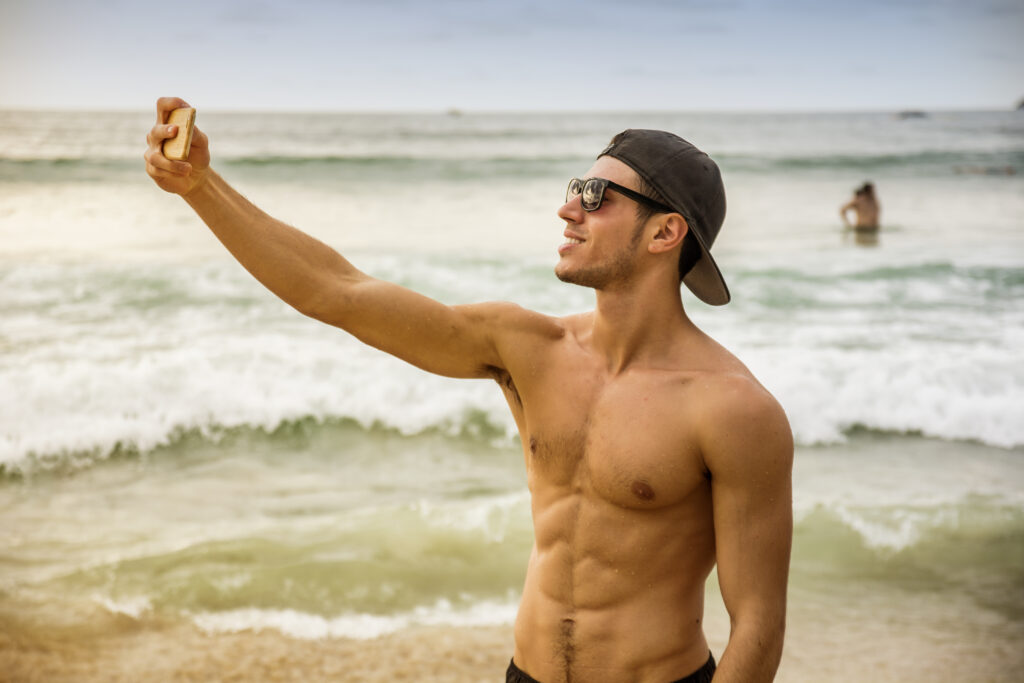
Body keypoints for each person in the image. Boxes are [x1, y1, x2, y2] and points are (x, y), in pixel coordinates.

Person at [145, 97, 793, 683]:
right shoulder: (529, 349)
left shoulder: (732, 408)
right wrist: (201, 188)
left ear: (664, 232)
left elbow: (758, 628)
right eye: (575, 188)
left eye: (596, 195)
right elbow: (338, 292)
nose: (568, 208)